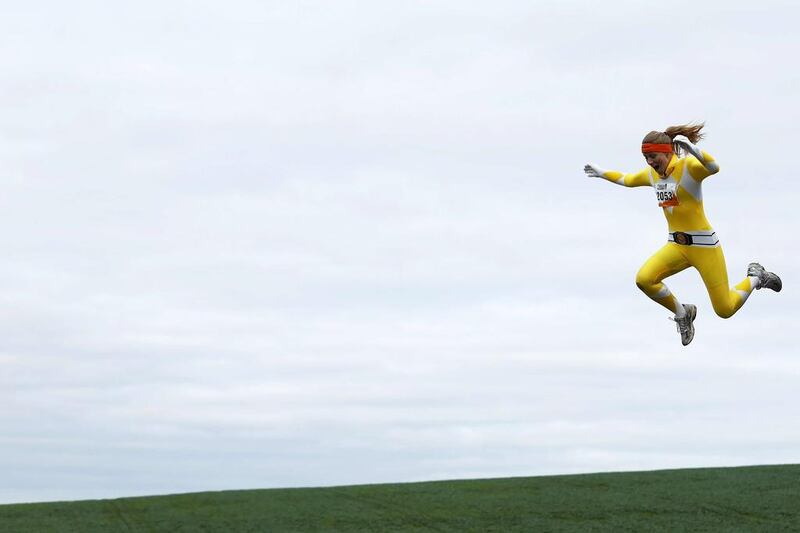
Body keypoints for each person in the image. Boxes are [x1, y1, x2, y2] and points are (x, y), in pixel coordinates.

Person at [583, 123, 781, 346]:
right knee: (644, 280)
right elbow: (627, 180)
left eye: (653, 156)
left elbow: (713, 167)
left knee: (724, 310)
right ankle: (683, 313)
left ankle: (756, 277)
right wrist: (601, 173)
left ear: (667, 152)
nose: (649, 163)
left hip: (704, 247)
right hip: (676, 245)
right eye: (646, 158)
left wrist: (694, 150)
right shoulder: (652, 175)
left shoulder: (688, 168)